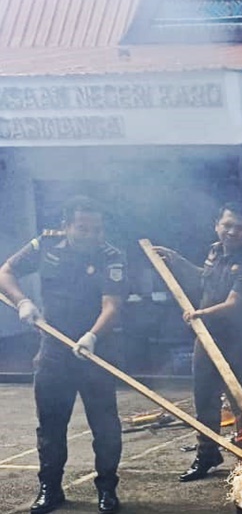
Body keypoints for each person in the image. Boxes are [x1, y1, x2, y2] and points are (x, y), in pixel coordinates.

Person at [0, 196, 127, 514]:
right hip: (54, 351)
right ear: (66, 226)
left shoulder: (112, 256)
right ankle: (50, 489)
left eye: (96, 228)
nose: (90, 234)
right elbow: (5, 273)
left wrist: (93, 336)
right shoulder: (45, 245)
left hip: (96, 352)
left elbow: (111, 306)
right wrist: (22, 302)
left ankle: (107, 490)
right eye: (82, 228)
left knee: (106, 426)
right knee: (51, 425)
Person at [153, 202, 242, 482]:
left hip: (241, 343)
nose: (232, 231)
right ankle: (207, 454)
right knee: (204, 399)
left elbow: (235, 303)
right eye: (227, 225)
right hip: (206, 339)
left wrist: (199, 313)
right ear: (217, 225)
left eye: (239, 227)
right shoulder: (214, 253)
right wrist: (175, 259)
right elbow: (204, 280)